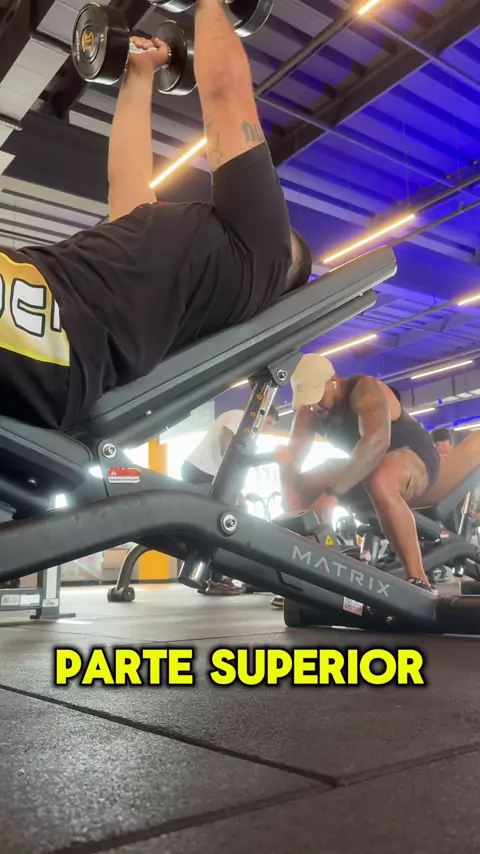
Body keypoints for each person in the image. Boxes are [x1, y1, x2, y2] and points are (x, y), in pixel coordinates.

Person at [0, 0, 312, 433]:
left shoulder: (265, 254)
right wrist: (140, 72)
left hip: (54, 333)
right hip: (33, 288)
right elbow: (126, 176)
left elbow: (225, 91)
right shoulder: (180, 260)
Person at [275, 353, 441, 594]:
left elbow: (376, 443)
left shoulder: (364, 389)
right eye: (308, 402)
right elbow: (293, 457)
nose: (314, 406)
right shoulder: (310, 411)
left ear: (333, 381)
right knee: (301, 488)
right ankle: (309, 577)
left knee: (379, 478)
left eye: (317, 398)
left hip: (414, 459)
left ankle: (419, 580)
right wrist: (289, 490)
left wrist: (332, 494)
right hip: (365, 468)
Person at [182, 405, 279, 595]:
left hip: (206, 473)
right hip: (203, 472)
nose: (267, 427)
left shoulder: (247, 429)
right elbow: (227, 438)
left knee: (216, 522)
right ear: (263, 413)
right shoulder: (241, 416)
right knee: (226, 520)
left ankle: (209, 577)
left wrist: (235, 489)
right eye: (268, 422)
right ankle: (217, 579)